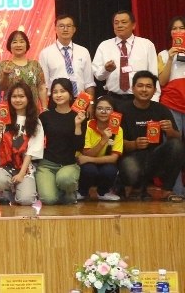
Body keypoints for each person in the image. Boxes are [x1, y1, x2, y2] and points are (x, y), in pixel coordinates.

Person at [117, 71, 185, 201]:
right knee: (130, 166)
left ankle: (167, 190)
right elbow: (115, 143)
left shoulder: (161, 109)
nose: (144, 89)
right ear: (133, 88)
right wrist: (134, 144)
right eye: (140, 85)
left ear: (154, 90)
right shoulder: (122, 110)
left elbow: (176, 138)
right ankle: (135, 188)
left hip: (155, 158)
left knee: (177, 145)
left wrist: (170, 131)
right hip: (131, 157)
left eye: (148, 86)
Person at [0, 82, 44, 205]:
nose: (17, 100)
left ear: (28, 98)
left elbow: (31, 152)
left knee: (26, 200)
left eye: (21, 96)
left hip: (24, 167)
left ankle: (16, 191)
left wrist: (21, 174)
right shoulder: (2, 116)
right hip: (3, 164)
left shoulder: (36, 121)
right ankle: (8, 190)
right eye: (14, 96)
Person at [92, 10, 159, 106]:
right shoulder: (104, 45)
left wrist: (154, 100)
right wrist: (106, 70)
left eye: (124, 22)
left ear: (133, 25)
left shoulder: (146, 45)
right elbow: (98, 76)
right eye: (116, 23)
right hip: (113, 99)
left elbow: (154, 75)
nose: (119, 25)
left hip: (140, 99)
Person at [35, 78, 85, 205]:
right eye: (55, 92)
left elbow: (79, 147)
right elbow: (37, 142)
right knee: (48, 200)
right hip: (47, 164)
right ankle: (58, 191)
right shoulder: (45, 116)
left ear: (70, 94)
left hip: (68, 164)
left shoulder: (79, 116)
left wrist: (78, 125)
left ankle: (69, 191)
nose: (58, 95)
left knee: (65, 179)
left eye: (62, 91)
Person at [157, 15, 185, 196]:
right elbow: (162, 80)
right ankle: (176, 191)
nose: (177, 31)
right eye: (174, 28)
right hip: (171, 104)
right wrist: (170, 58)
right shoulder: (164, 54)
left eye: (181, 28)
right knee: (174, 146)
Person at [38, 14, 95, 100]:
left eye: (68, 26)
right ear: (55, 29)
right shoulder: (46, 53)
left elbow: (89, 82)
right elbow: (44, 85)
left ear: (74, 29)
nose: (65, 29)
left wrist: (91, 103)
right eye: (61, 26)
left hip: (80, 101)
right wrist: (45, 108)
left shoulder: (83, 51)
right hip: (57, 100)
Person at [77, 96, 123, 201]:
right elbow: (87, 153)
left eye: (108, 109)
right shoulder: (87, 126)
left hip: (100, 161)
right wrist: (104, 140)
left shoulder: (118, 130)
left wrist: (89, 159)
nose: (103, 112)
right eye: (99, 108)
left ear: (114, 111)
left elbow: (113, 158)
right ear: (94, 110)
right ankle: (82, 191)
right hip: (85, 163)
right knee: (89, 169)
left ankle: (103, 192)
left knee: (110, 170)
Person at [0, 30, 47, 110]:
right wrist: (5, 75)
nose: (18, 45)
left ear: (26, 44)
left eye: (21, 41)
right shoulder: (3, 65)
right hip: (11, 110)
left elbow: (41, 88)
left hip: (32, 111)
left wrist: (44, 108)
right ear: (9, 46)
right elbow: (1, 88)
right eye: (14, 42)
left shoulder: (35, 65)